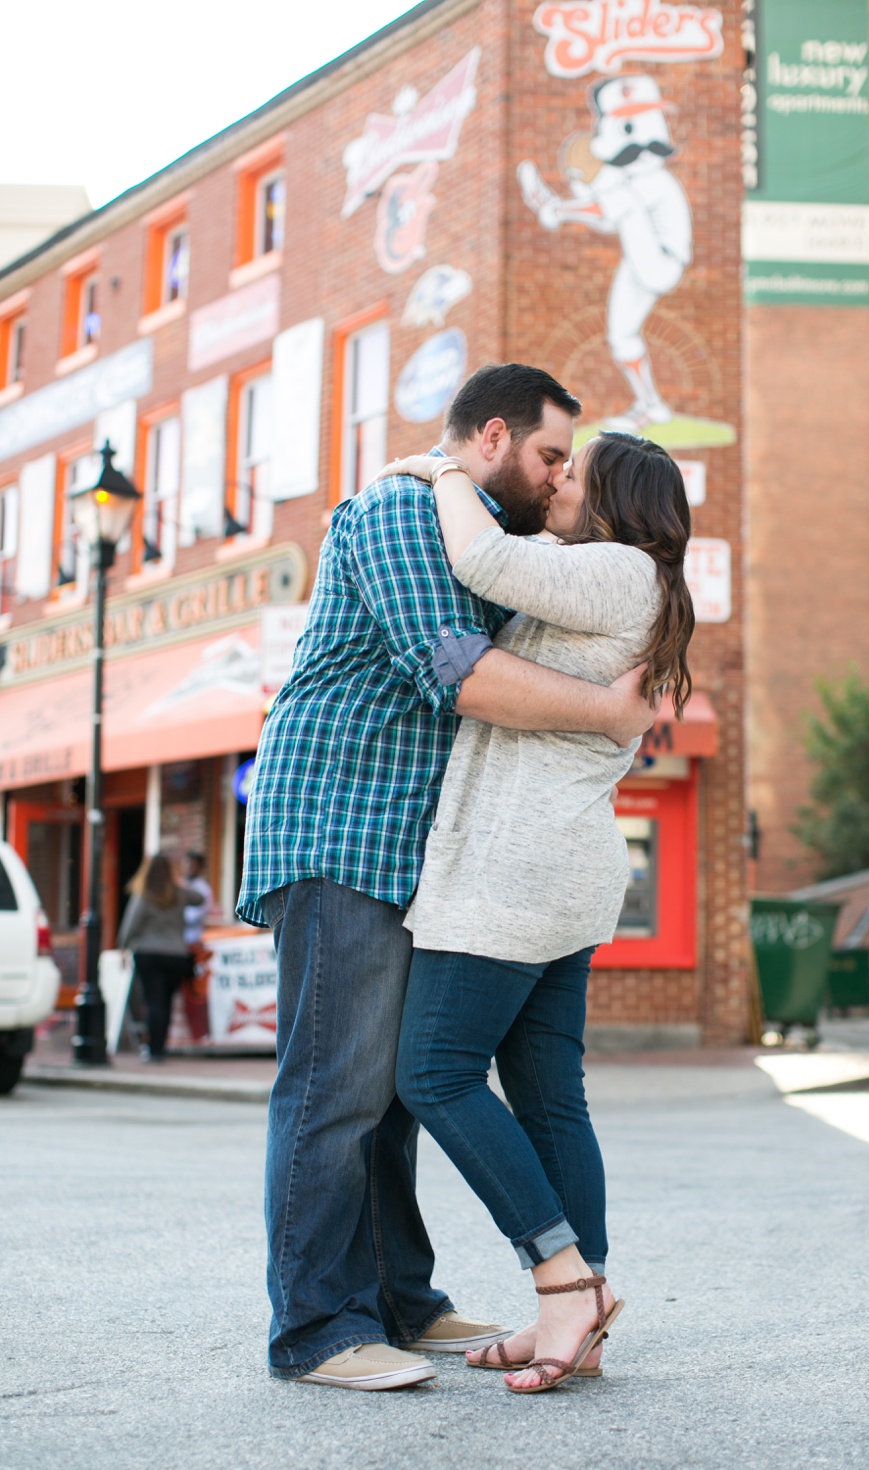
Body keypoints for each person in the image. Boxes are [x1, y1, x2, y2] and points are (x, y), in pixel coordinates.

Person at [236, 364, 659, 1392]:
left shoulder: (486, 532)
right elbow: (458, 670)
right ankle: (317, 1332)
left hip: (408, 846)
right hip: (339, 824)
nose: (559, 477)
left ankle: (397, 1300)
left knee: (385, 1092)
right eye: (551, 456)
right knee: (334, 1089)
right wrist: (604, 714)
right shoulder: (395, 510)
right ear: (493, 436)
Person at [393, 432, 695, 1393]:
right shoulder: (621, 581)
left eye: (575, 469)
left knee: (433, 1071)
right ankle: (584, 1306)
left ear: (614, 498)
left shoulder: (617, 570)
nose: (558, 479)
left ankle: (560, 1278)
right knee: (548, 1094)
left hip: (516, 866)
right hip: (559, 863)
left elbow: (478, 557)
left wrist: (440, 470)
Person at [118, 854, 197, 1062]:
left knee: (154, 1001)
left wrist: (122, 946)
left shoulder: (143, 895)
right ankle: (160, 1047)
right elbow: (200, 898)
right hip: (176, 955)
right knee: (166, 1002)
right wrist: (179, 883)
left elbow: (130, 926)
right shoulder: (179, 893)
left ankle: (153, 1049)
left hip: (148, 954)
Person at [182, 852, 213, 950]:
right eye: (186, 864)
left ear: (199, 867)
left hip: (193, 939)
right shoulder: (180, 884)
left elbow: (193, 917)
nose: (188, 867)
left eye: (191, 865)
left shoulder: (204, 889)